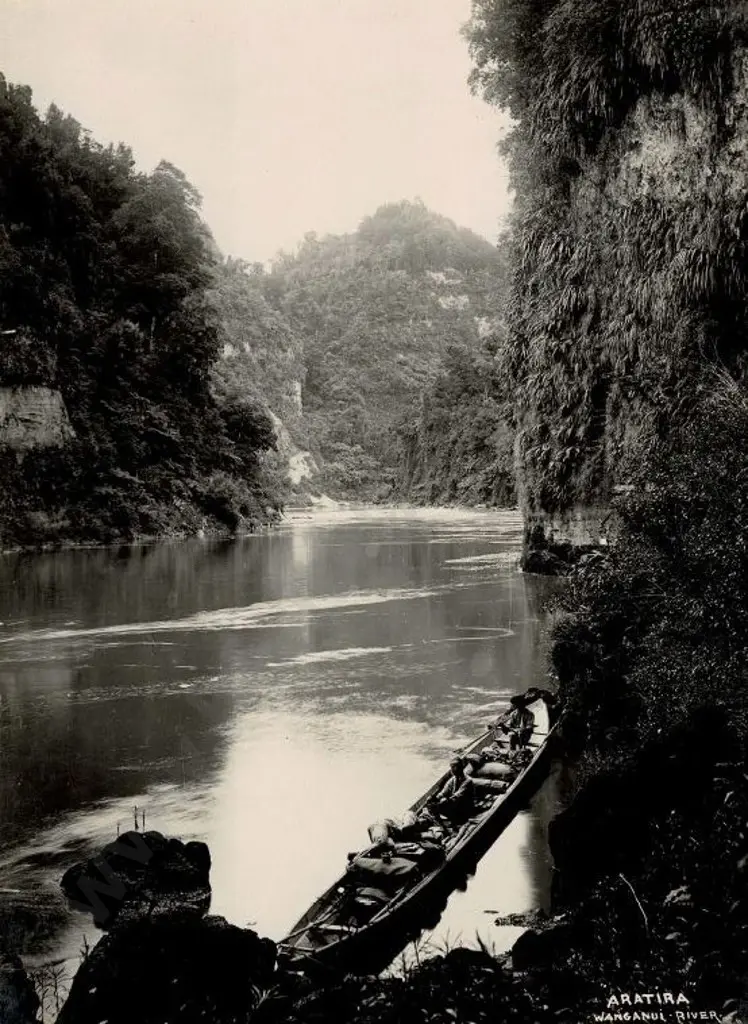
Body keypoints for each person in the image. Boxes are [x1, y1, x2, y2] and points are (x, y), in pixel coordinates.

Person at [428, 757, 474, 823]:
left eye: (454, 767)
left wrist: (444, 802)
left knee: (442, 804)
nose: (452, 770)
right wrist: (434, 798)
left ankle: (456, 820)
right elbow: (444, 792)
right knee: (435, 804)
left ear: (460, 768)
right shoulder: (453, 779)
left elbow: (457, 796)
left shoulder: (468, 781)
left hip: (465, 807)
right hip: (456, 803)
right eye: (451, 767)